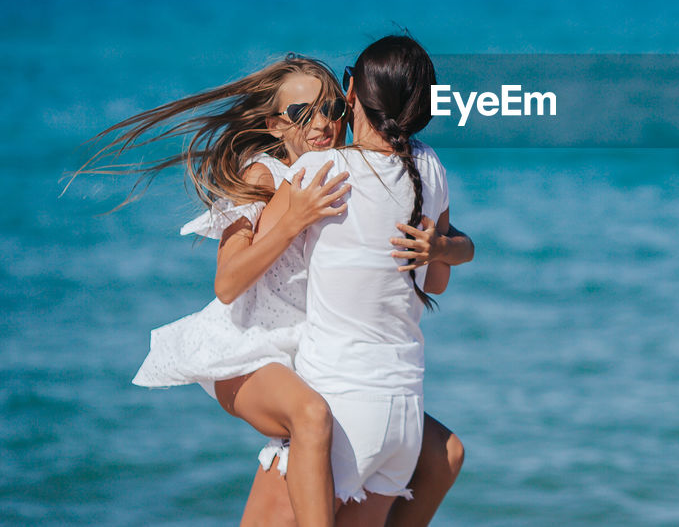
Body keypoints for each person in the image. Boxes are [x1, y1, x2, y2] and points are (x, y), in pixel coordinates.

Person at [88, 54, 473, 526]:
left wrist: (440, 245)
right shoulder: (263, 175)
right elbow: (227, 284)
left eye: (331, 108)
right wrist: (292, 221)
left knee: (441, 450)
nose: (321, 123)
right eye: (300, 114)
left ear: (348, 105)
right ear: (274, 124)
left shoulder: (337, 173)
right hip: (246, 348)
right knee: (310, 414)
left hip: (301, 349)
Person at [257, 36, 457, 526]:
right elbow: (436, 284)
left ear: (351, 91)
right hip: (404, 421)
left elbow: (252, 262)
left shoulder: (319, 170)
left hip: (338, 410)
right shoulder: (431, 168)